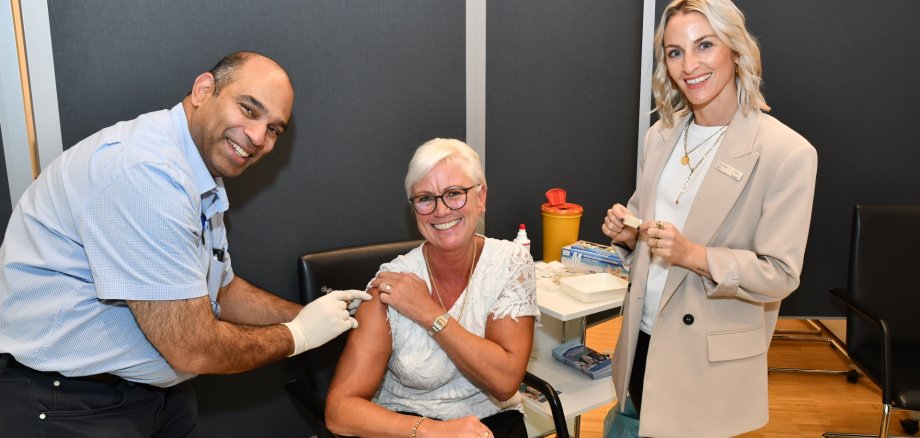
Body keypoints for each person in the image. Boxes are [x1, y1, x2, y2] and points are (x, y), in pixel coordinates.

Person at [0, 51, 369, 437]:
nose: (258, 137)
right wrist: (301, 335)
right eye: (248, 109)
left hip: (157, 396)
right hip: (72, 405)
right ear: (203, 89)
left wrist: (314, 314)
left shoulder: (196, 171)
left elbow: (221, 289)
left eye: (274, 129)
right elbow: (194, 347)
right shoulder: (148, 174)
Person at [600, 1, 818, 436]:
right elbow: (647, 226)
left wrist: (694, 255)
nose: (689, 65)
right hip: (642, 341)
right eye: (675, 51)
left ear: (736, 51)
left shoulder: (787, 153)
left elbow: (780, 274)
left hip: (705, 358)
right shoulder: (660, 136)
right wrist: (628, 236)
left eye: (704, 45)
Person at [324, 138, 539, 437]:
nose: (441, 211)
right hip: (408, 424)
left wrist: (429, 312)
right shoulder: (391, 283)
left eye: (454, 193)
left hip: (491, 418)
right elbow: (339, 411)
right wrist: (432, 431)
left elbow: (504, 383)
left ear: (481, 197)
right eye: (425, 198)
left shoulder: (510, 263)